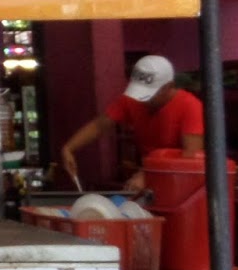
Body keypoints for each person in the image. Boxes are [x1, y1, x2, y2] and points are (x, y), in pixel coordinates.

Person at [59, 55, 204, 194]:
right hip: (147, 174)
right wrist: (69, 148)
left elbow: (190, 158)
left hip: (179, 182)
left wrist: (148, 174)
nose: (142, 98)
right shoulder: (132, 100)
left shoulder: (191, 106)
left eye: (150, 93)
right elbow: (100, 125)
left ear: (169, 86)